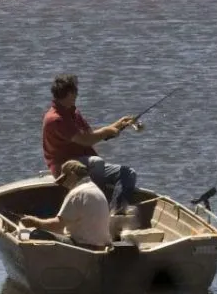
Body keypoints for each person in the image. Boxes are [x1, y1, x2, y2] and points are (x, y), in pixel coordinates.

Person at [40, 73, 141, 208]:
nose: (77, 95)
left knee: (128, 173)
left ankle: (117, 211)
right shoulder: (55, 119)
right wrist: (107, 131)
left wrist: (120, 124)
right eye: (76, 91)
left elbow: (91, 135)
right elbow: (85, 140)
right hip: (66, 169)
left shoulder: (73, 112)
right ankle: (98, 204)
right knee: (97, 162)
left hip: (88, 165)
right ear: (69, 93)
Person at [17, 159, 113, 248]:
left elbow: (57, 225)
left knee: (35, 233)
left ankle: (22, 248)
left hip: (83, 246)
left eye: (64, 179)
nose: (64, 185)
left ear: (72, 174)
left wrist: (34, 221)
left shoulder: (77, 193)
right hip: (101, 245)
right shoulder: (96, 189)